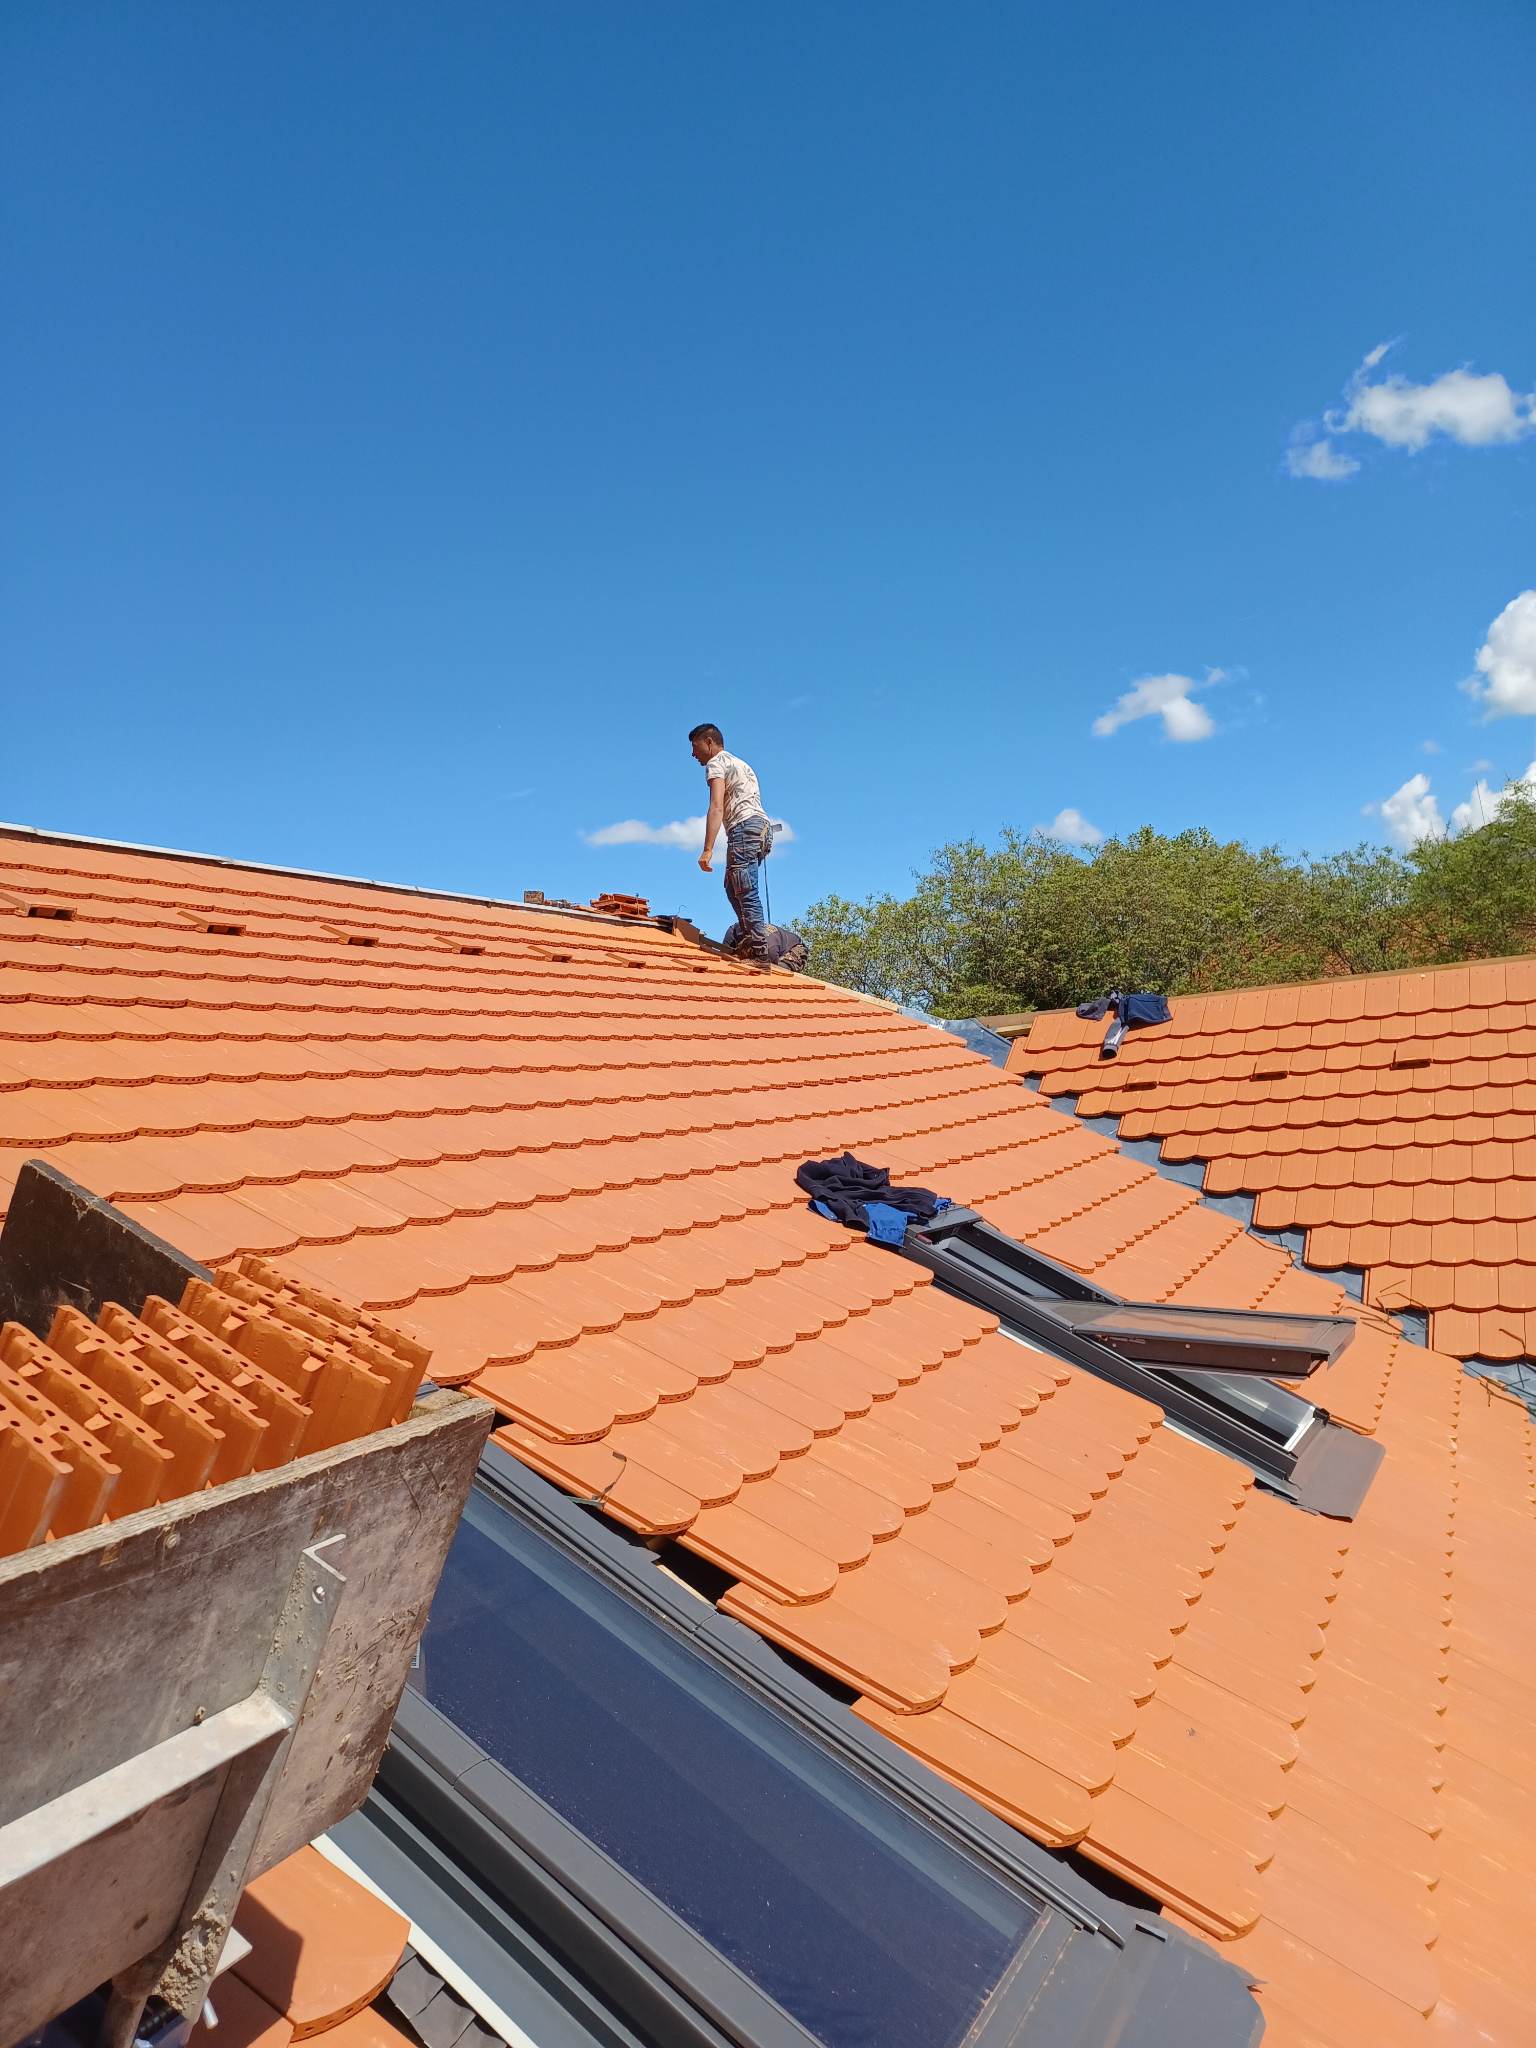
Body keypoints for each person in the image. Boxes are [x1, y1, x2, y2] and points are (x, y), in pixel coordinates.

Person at [689, 723, 774, 959]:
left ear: (709, 742)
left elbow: (716, 807)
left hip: (744, 828)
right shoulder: (742, 764)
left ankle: (759, 952)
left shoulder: (717, 763)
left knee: (744, 889)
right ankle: (751, 938)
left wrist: (707, 849)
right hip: (761, 829)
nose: (693, 754)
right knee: (732, 886)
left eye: (695, 747)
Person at [722, 920, 808, 970]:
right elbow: (723, 956)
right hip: (772, 942)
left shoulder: (769, 949)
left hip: (795, 948)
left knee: (778, 970)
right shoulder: (733, 931)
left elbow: (767, 967)